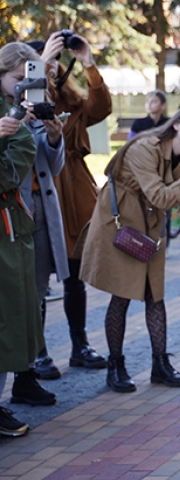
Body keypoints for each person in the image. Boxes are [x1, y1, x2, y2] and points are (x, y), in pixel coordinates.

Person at [80, 104, 180, 393]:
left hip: (149, 224)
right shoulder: (145, 147)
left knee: (154, 294)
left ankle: (160, 364)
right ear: (177, 124)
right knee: (121, 294)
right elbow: (160, 196)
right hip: (120, 222)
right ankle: (115, 365)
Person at [32, 31, 111, 375]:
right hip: (43, 190)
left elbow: (102, 107)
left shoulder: (73, 104)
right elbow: (30, 101)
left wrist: (88, 62)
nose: (52, 67)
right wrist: (41, 66)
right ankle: (38, 352)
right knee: (36, 279)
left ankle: (80, 345)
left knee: (74, 277)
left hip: (75, 194)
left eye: (54, 62)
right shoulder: (28, 94)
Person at [0, 43, 56, 415]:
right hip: (11, 218)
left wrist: (52, 134)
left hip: (28, 215)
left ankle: (26, 373)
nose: (24, 88)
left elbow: (47, 162)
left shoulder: (29, 110)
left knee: (28, 301)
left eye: (29, 80)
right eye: (18, 80)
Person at [0, 44, 38, 438]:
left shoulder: (21, 124)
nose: (23, 91)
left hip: (10, 227)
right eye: (17, 81)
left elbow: (11, 174)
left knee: (11, 317)